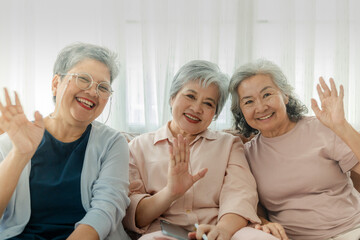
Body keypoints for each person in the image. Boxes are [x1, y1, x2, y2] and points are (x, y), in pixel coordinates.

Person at [123, 60, 279, 240]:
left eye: (208, 103)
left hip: (221, 228)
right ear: (172, 97)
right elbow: (134, 215)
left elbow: (240, 194)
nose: (196, 108)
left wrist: (223, 230)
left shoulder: (229, 145)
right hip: (164, 232)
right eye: (190, 96)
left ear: (215, 114)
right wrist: (171, 192)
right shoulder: (137, 147)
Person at [0, 42, 131, 240]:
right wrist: (20, 154)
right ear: (56, 84)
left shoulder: (113, 143)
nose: (93, 92)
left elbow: (107, 208)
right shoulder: (12, 141)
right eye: (83, 79)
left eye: (103, 87)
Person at [228, 59, 360, 240]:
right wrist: (264, 223)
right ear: (241, 111)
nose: (260, 107)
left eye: (267, 95)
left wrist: (341, 126)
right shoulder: (246, 155)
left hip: (352, 229)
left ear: (285, 95)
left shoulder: (322, 128)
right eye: (249, 101)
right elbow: (249, 205)